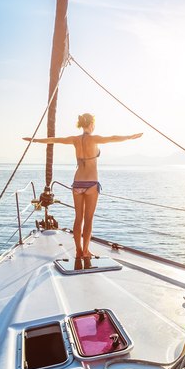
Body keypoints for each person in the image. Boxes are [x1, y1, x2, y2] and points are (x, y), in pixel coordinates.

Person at [23, 113, 142, 264]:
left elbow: (54, 140)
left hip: (78, 183)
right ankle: (85, 251)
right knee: (89, 219)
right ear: (91, 124)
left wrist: (34, 140)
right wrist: (131, 137)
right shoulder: (94, 138)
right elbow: (113, 137)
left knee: (78, 218)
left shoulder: (75, 139)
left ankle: (79, 251)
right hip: (91, 183)